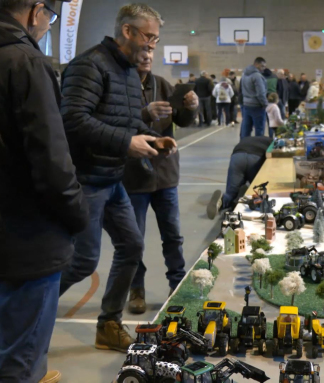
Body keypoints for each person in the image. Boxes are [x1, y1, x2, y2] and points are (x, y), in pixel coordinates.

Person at [59, 4, 175, 352]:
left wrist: (151, 137)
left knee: (132, 246)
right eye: (148, 36)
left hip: (113, 181)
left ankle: (108, 323)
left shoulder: (126, 71)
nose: (151, 45)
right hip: (87, 180)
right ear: (127, 31)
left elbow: (124, 120)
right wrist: (127, 142)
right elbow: (73, 120)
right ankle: (22, 314)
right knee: (82, 261)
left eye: (155, 38)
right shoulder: (90, 65)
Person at [0, 1, 89, 381]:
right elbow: (52, 161)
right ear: (37, 12)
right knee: (20, 364)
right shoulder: (26, 62)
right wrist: (78, 214)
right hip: (26, 239)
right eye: (51, 18)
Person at [123, 49, 198, 314]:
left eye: (150, 52)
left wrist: (191, 107)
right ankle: (136, 289)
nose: (145, 56)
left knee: (173, 236)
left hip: (165, 175)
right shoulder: (120, 87)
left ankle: (176, 284)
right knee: (134, 239)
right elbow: (113, 125)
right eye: (140, 51)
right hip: (134, 178)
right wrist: (145, 113)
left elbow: (183, 120)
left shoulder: (163, 85)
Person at [207, 136, 273, 218]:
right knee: (258, 191)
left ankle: (223, 201)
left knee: (231, 192)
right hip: (256, 158)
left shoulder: (249, 139)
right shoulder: (273, 142)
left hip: (237, 157)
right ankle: (244, 202)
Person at [240, 57, 268, 138]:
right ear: (256, 64)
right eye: (262, 66)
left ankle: (243, 147)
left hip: (246, 105)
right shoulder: (257, 76)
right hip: (257, 106)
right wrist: (265, 104)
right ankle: (258, 148)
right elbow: (261, 93)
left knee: (246, 129)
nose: (264, 68)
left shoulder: (244, 75)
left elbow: (242, 90)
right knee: (259, 129)